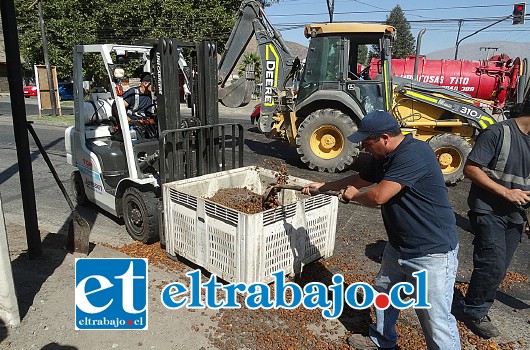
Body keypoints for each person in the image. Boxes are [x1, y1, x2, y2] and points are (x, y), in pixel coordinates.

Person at [302, 110, 461, 350]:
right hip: (398, 246)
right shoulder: (383, 157)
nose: (365, 149)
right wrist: (323, 187)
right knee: (384, 293)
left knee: (434, 317)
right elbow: (358, 180)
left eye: (367, 143)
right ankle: (382, 340)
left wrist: (354, 198)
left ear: (384, 138)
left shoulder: (414, 154)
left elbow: (378, 196)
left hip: (432, 251)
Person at [454, 100, 530, 339]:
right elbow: (471, 169)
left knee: (499, 267)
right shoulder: (498, 132)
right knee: (493, 263)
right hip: (488, 210)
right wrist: (506, 192)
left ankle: (476, 299)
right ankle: (475, 311)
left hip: (516, 214)